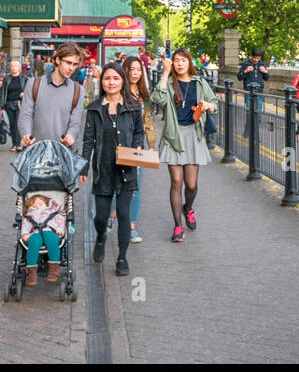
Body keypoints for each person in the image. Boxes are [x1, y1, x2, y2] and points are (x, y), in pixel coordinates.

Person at [80, 63, 145, 276]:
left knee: (124, 215)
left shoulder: (133, 106)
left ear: (122, 81)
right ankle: (100, 238)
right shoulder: (95, 108)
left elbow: (138, 132)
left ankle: (122, 258)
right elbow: (88, 140)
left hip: (126, 168)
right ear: (102, 82)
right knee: (100, 217)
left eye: (116, 78)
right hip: (103, 168)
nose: (111, 82)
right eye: (107, 78)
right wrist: (83, 166)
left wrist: (137, 146)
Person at [151, 48, 217, 242]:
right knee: (176, 182)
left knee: (191, 184)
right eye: (176, 61)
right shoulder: (169, 83)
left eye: (183, 60)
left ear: (190, 63)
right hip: (174, 135)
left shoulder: (200, 83)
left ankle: (188, 208)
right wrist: (164, 73)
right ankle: (177, 226)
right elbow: (157, 99)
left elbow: (214, 103)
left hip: (193, 135)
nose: (180, 64)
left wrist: (208, 106)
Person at [18, 43, 85, 150]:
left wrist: (71, 136)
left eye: (75, 64)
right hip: (36, 151)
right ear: (58, 60)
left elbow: (75, 122)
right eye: (68, 63)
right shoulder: (34, 84)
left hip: (64, 153)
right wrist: (26, 134)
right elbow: (26, 115)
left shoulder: (78, 90)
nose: (71, 68)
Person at [121, 55, 155, 243]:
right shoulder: (118, 89)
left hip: (138, 142)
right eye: (131, 69)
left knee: (135, 186)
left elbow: (148, 122)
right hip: (118, 141)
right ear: (125, 70)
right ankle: (110, 217)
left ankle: (131, 227)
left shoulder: (144, 94)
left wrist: (150, 146)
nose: (135, 73)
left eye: (138, 70)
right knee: (115, 182)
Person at [20, 193, 67, 286]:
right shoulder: (29, 216)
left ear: (47, 203)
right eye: (35, 202)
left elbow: (61, 222)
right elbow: (25, 227)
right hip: (35, 233)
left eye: (41, 201)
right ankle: (32, 272)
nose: (39, 202)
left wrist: (60, 231)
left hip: (50, 231)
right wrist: (25, 234)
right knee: (34, 242)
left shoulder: (53, 213)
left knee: (52, 240)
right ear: (30, 205)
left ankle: (54, 270)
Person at [0, 59, 29, 151]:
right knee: (11, 125)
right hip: (8, 104)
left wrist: (24, 93)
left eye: (15, 66)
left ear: (19, 68)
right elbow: (2, 93)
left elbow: (29, 90)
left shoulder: (24, 78)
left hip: (19, 104)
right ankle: (14, 144)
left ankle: (20, 144)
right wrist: (2, 107)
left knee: (18, 125)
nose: (14, 68)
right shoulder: (7, 78)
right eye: (12, 66)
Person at [238, 48, 270, 124]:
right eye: (254, 58)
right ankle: (248, 131)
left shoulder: (262, 64)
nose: (256, 60)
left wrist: (265, 71)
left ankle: (256, 132)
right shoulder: (246, 64)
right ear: (251, 56)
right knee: (249, 111)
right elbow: (239, 77)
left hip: (259, 91)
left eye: (258, 58)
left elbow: (267, 78)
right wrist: (245, 71)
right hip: (248, 91)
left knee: (258, 111)